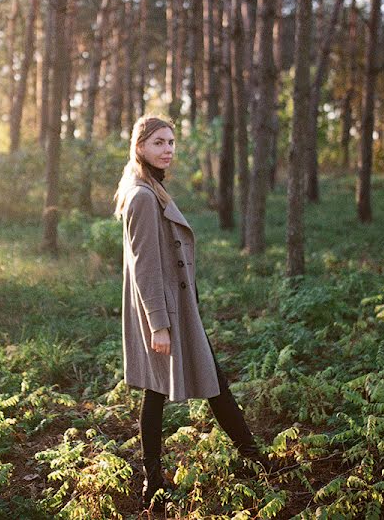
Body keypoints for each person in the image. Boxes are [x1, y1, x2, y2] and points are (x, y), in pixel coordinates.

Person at [113, 115, 269, 511]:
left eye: (171, 143)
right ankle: (158, 482)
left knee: (199, 384)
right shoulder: (143, 197)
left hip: (175, 309)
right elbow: (145, 266)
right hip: (164, 312)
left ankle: (251, 459)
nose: (168, 150)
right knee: (163, 390)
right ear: (140, 147)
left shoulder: (151, 189)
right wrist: (159, 326)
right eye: (159, 143)